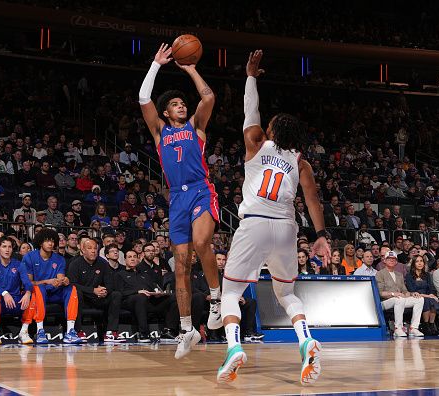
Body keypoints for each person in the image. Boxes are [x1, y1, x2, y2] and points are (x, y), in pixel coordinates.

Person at [216, 51, 331, 385]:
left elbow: (249, 110)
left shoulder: (255, 143)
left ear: (272, 130)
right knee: (286, 293)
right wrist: (321, 234)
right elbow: (311, 200)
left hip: (254, 222)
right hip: (286, 228)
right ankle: (306, 340)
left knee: (230, 292)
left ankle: (234, 347)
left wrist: (251, 76)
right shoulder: (301, 162)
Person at [139, 43, 221, 358]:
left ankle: (216, 298)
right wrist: (156, 64)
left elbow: (208, 97)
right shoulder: (159, 131)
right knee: (181, 267)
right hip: (176, 200)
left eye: (182, 102)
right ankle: (187, 330)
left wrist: (190, 69)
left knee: (203, 244)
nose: (181, 105)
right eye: (174, 104)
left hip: (201, 189)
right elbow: (144, 98)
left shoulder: (196, 127)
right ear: (166, 112)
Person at [23, 228, 82, 344]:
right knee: (38, 288)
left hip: (54, 292)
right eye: (47, 241)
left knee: (71, 289)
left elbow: (60, 277)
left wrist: (64, 280)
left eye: (52, 241)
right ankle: (40, 330)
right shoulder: (29, 257)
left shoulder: (59, 259)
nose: (50, 244)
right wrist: (47, 281)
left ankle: (70, 331)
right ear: (40, 242)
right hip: (39, 293)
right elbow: (29, 282)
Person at [0, 237, 35, 344]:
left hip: (16, 300)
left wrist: (27, 293)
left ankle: (24, 331)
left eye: (9, 247)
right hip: (1, 300)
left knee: (33, 296)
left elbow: (27, 282)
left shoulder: (19, 264)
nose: (7, 249)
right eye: (4, 246)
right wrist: (4, 293)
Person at [376, 251, 424, 338]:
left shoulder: (399, 274)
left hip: (399, 300)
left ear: (396, 261)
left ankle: (413, 328)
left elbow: (404, 291)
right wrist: (394, 294)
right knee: (399, 299)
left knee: (419, 299)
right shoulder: (380, 274)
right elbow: (380, 293)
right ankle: (398, 328)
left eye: (393, 259)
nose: (391, 261)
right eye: (389, 259)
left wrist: (412, 294)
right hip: (385, 302)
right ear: (384, 261)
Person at [404, 255, 439, 336]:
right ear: (413, 264)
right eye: (417, 261)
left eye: (421, 261)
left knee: (432, 301)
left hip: (427, 295)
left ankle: (431, 325)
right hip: (416, 296)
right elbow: (411, 290)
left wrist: (431, 294)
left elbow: (430, 287)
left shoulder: (427, 275)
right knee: (427, 300)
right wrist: (428, 296)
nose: (420, 263)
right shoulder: (409, 275)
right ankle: (426, 324)